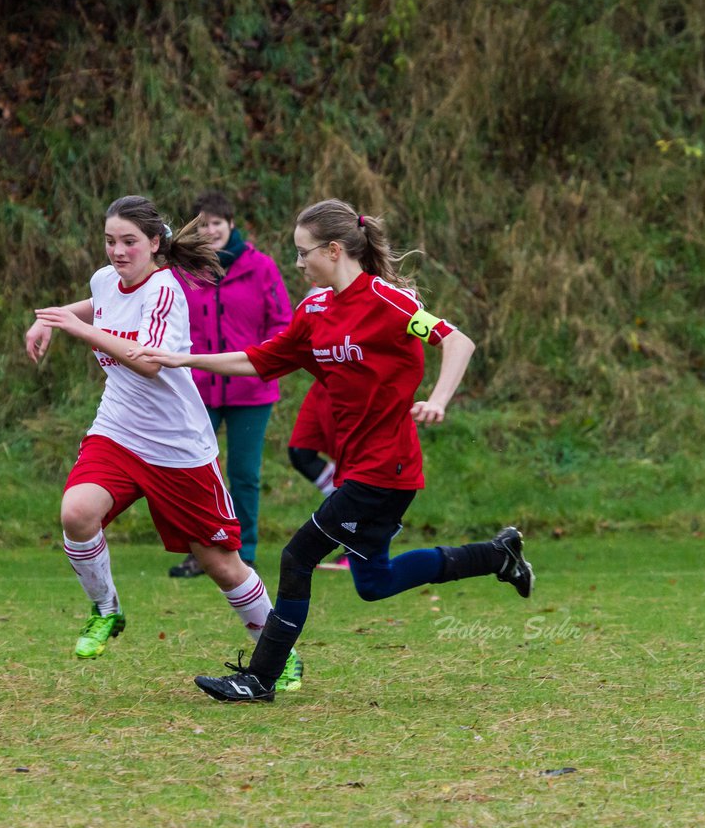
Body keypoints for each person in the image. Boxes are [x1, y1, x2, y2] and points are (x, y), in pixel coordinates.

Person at [130, 198, 533, 703]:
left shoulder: (388, 301)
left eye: (304, 253)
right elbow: (261, 360)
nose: (297, 264)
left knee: (297, 556)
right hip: (359, 467)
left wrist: (438, 399)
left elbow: (458, 343)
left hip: (388, 467)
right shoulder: (315, 310)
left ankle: (259, 678)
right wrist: (182, 359)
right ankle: (496, 556)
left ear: (334, 249)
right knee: (375, 581)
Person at [24, 194, 303, 691]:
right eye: (110, 240)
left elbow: (150, 361)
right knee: (76, 513)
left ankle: (279, 651)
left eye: (129, 241)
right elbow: (98, 303)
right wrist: (49, 319)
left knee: (220, 563)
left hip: (177, 447)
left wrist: (81, 330)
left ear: (155, 243)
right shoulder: (106, 279)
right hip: (118, 432)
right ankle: (107, 610)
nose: (117, 251)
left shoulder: (167, 291)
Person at [167, 191, 293, 578]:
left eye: (217, 223)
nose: (211, 230)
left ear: (231, 225)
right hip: (196, 389)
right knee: (195, 473)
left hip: (250, 390)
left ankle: (245, 551)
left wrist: (262, 362)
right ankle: (201, 553)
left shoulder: (262, 268)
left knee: (244, 472)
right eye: (203, 224)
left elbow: (283, 323)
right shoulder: (180, 271)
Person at [287, 376, 351, 570]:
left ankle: (356, 549)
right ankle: (351, 506)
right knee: (300, 452)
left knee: (351, 461)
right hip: (324, 380)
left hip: (351, 379)